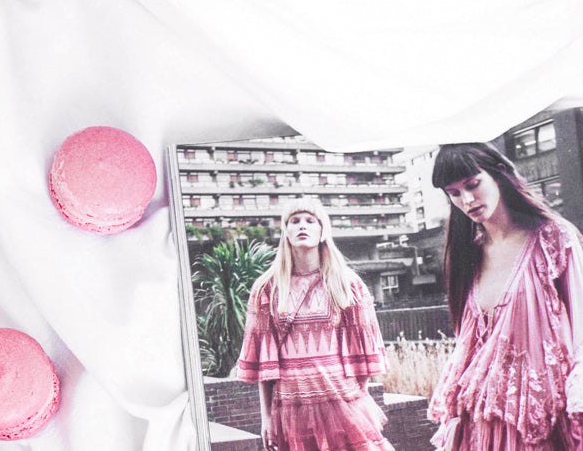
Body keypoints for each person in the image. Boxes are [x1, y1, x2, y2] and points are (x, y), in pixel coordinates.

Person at [427, 142, 583, 450]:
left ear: (498, 175)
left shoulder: (552, 238)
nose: (467, 199)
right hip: (478, 422)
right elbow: (468, 342)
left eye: (473, 184)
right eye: (454, 193)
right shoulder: (467, 254)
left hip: (536, 418)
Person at [236, 197, 393, 451]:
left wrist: (353, 400)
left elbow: (363, 356)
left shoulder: (347, 283)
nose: (302, 226)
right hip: (291, 406)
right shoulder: (267, 288)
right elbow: (265, 364)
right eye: (295, 221)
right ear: (285, 231)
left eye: (311, 221)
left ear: (322, 231)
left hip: (341, 399)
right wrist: (266, 417)